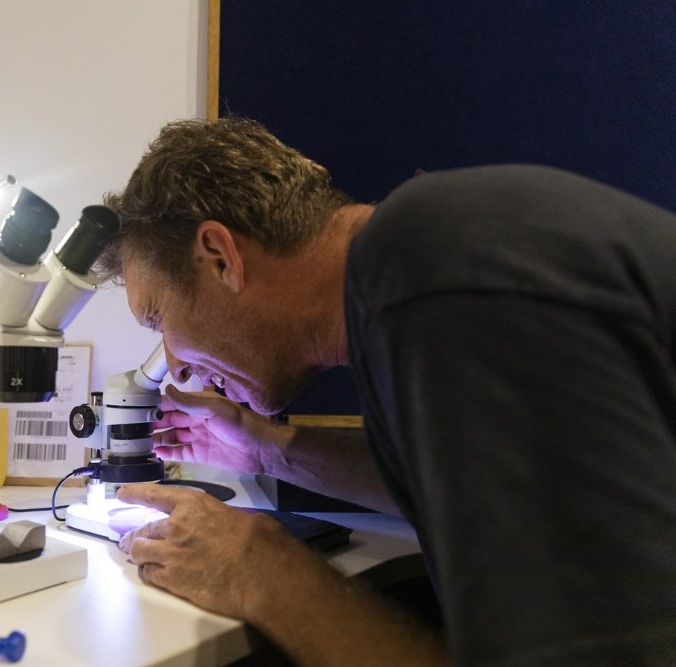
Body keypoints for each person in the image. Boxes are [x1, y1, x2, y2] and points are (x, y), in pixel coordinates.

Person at [94, 116, 676, 666]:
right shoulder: (426, 260)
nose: (178, 368)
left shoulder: (442, 280)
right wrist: (261, 450)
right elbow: (460, 483)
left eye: (157, 319)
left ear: (220, 257)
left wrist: (261, 571)